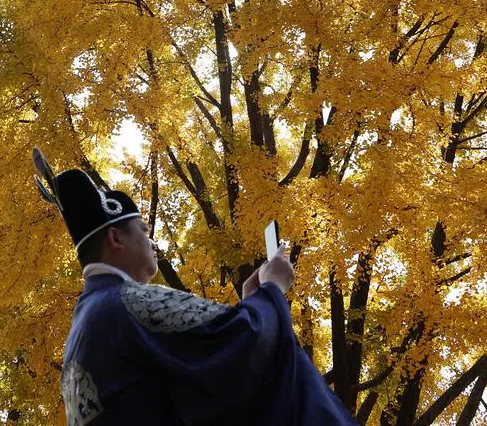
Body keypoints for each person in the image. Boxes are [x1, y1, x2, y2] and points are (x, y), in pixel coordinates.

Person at [32, 148, 359, 425]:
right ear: (115, 238)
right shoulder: (129, 303)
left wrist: (250, 302)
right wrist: (272, 291)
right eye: (143, 231)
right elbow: (244, 340)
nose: (151, 240)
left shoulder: (82, 329)